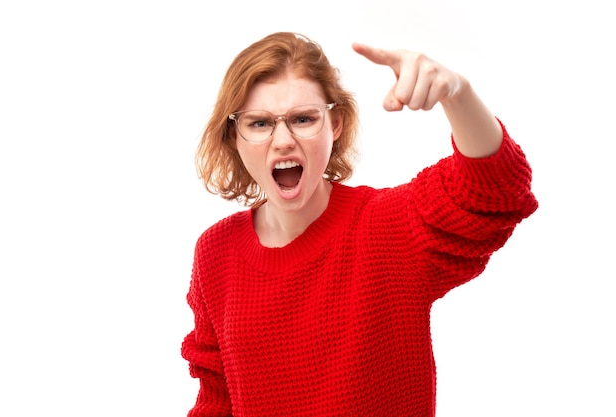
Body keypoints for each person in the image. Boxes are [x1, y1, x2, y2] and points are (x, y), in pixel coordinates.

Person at [181, 31, 538, 416]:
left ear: (335, 124)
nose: (282, 140)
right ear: (235, 135)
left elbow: (496, 188)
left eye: (303, 119)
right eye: (260, 123)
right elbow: (216, 399)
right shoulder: (215, 252)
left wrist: (459, 95)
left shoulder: (386, 227)